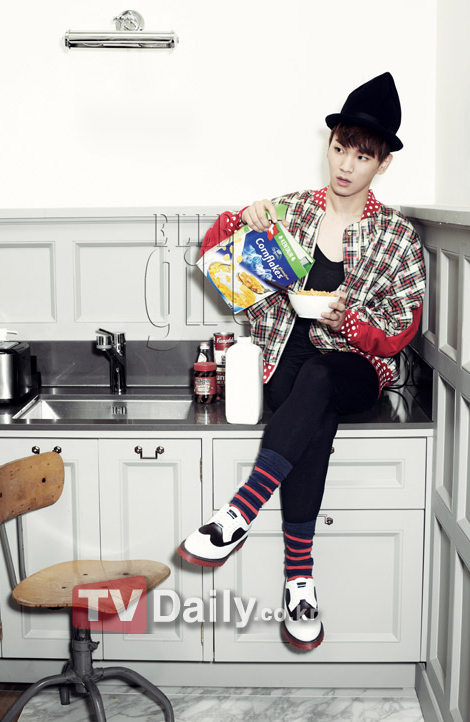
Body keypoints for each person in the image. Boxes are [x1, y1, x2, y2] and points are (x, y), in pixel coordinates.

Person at [178, 72, 426, 651]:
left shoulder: (395, 234)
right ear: (330, 145)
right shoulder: (289, 212)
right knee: (311, 414)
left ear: (383, 163)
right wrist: (240, 219)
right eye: (340, 148)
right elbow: (218, 261)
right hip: (282, 363)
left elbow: (402, 327)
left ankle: (239, 514)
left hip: (356, 368)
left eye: (362, 156)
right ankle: (300, 582)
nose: (345, 165)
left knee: (321, 378)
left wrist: (350, 325)